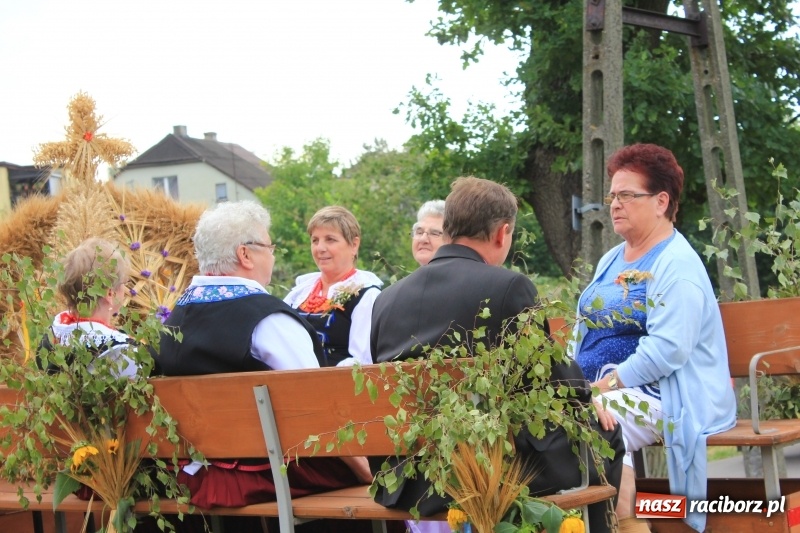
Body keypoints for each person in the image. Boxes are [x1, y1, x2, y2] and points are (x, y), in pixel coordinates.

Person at [371, 177, 625, 533]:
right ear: (502, 233)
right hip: (489, 469)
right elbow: (549, 378)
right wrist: (585, 395)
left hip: (408, 478)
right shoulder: (507, 287)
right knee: (605, 435)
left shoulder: (387, 300)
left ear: (448, 228)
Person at [155, 201, 372, 531]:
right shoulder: (267, 320)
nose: (272, 255)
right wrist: (367, 470)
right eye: (269, 247)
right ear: (245, 255)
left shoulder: (173, 320)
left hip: (193, 473)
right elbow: (321, 412)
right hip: (267, 473)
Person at [572, 144, 735, 533]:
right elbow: (584, 331)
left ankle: (626, 523)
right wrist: (571, 381)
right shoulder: (611, 259)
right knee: (567, 415)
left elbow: (668, 349)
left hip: (670, 394)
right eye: (613, 195)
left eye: (628, 195)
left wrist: (602, 386)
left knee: (597, 420)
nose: (615, 204)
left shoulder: (676, 263)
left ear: (661, 201)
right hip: (608, 391)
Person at [284, 206, 382, 367]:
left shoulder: (365, 295)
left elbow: (362, 362)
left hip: (338, 387)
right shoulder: (300, 292)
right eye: (315, 240)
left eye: (330, 239)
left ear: (354, 245)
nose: (320, 248)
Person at [49, 237, 138, 378]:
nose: (126, 289)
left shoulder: (52, 337)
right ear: (110, 293)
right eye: (123, 283)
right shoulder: (120, 351)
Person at [411, 200, 445, 266]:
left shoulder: (464, 275)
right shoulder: (413, 276)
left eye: (434, 233)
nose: (423, 239)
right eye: (419, 233)